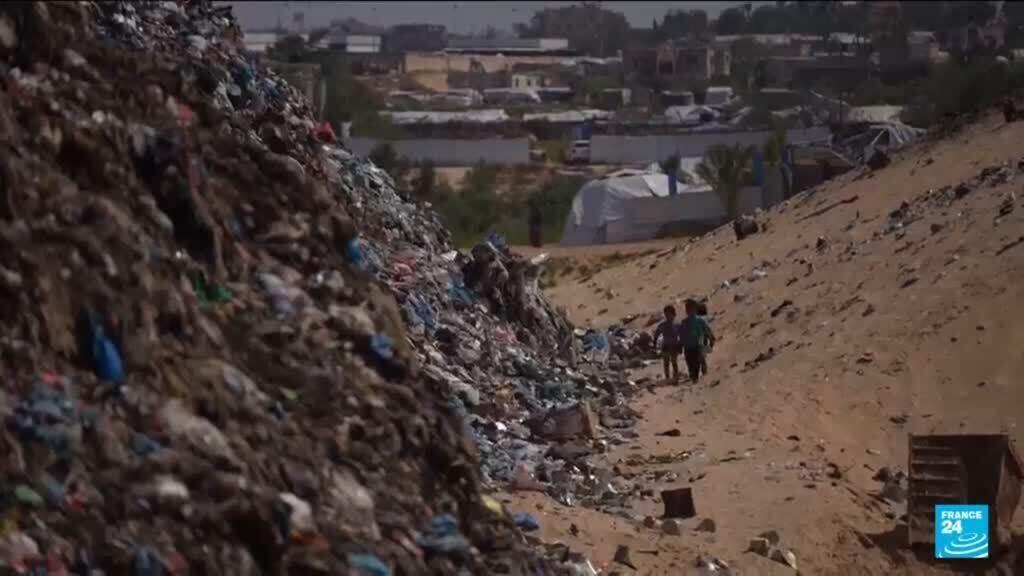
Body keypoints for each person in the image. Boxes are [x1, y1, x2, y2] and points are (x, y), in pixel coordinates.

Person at [679, 299, 715, 383]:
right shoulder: (684, 322)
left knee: (699, 361)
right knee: (690, 363)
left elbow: (707, 330)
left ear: (695, 309)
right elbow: (681, 334)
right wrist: (680, 345)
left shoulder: (700, 321)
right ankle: (694, 378)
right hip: (688, 347)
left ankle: (701, 378)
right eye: (687, 309)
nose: (689, 311)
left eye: (691, 309)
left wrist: (711, 338)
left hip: (698, 346)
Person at [652, 305, 681, 382]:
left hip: (674, 346)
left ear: (673, 314)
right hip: (666, 346)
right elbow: (656, 334)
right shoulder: (662, 325)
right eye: (666, 314)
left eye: (669, 314)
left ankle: (675, 378)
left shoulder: (677, 325)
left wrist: (681, 345)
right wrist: (654, 343)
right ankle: (667, 378)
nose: (667, 316)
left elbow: (682, 335)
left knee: (674, 363)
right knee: (666, 363)